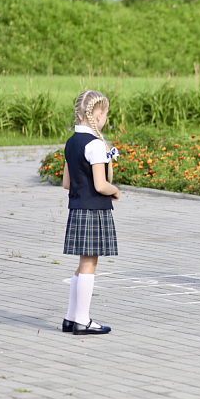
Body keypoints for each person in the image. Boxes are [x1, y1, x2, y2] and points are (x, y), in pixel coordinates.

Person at [61, 90, 120, 336]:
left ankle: (71, 317)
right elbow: (100, 185)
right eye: (106, 114)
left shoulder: (72, 140)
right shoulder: (95, 144)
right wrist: (115, 190)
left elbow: (66, 182)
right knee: (89, 265)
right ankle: (82, 321)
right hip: (93, 209)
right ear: (98, 114)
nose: (106, 118)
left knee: (82, 265)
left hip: (77, 207)